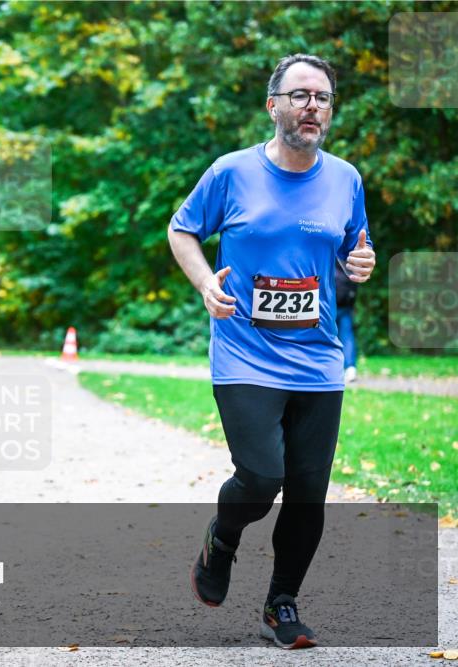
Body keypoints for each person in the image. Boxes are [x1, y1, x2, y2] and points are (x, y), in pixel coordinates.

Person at [167, 54, 375, 650]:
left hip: (317, 358)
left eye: (324, 98)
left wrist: (360, 263)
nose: (314, 106)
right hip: (244, 353)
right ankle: (223, 537)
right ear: (274, 105)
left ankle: (281, 605)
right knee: (260, 476)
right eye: (301, 95)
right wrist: (207, 282)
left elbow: (354, 249)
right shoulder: (231, 172)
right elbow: (182, 230)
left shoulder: (346, 178)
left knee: (309, 492)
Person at [334, 261, 359, 383]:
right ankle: (350, 368)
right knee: (347, 337)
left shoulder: (327, 258)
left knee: (326, 337)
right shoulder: (349, 261)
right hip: (346, 306)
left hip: (329, 308)